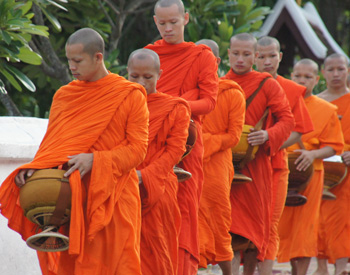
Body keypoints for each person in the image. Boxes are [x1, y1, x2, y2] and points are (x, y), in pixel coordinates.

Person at [0, 28, 149, 274]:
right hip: (73, 202)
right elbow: (53, 146)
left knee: (119, 266)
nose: (71, 67)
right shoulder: (65, 96)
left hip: (115, 199)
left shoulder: (129, 95)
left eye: (77, 61)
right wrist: (33, 170)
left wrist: (96, 160)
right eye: (69, 60)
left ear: (98, 58)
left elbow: (137, 150)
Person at [145, 1, 219, 273]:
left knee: (184, 212)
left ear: (185, 18)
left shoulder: (202, 55)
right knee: (150, 211)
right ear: (155, 21)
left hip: (187, 145)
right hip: (151, 145)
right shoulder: (147, 55)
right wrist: (180, 102)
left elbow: (210, 102)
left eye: (173, 22)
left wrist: (176, 106)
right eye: (162, 23)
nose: (168, 28)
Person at [221, 32, 294, 275]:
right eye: (236, 53)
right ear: (228, 54)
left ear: (255, 56)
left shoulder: (267, 83)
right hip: (224, 164)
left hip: (256, 165)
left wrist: (268, 135)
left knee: (253, 231)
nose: (240, 59)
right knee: (228, 228)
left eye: (246, 54)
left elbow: (287, 119)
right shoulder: (219, 83)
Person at [127, 48, 191, 275]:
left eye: (148, 77)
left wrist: (145, 175)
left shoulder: (175, 107)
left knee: (158, 248)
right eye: (134, 76)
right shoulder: (120, 103)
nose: (141, 82)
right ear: (126, 73)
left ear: (159, 75)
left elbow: (175, 151)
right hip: (123, 186)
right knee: (125, 249)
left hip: (159, 186)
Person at [277, 59, 344, 275]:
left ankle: (300, 272)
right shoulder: (279, 103)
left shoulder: (326, 109)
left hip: (311, 174)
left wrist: (313, 153)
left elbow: (334, 146)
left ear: (317, 79)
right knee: (279, 225)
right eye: (298, 76)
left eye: (308, 77)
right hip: (279, 170)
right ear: (291, 77)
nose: (303, 81)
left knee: (305, 228)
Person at [255, 36, 314, 274]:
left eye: (272, 56)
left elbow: (298, 130)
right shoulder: (242, 85)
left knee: (270, 223)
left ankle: (266, 270)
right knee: (245, 222)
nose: (267, 61)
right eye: (262, 56)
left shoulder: (289, 89)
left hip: (275, 165)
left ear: (280, 57)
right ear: (253, 57)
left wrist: (271, 144)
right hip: (244, 166)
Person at [195, 39, 245, 275]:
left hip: (216, 168)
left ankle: (228, 272)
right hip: (189, 165)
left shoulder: (232, 93)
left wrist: (204, 143)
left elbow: (234, 137)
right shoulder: (187, 91)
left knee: (218, 222)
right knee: (188, 221)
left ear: (215, 61)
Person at [314, 53, 350, 275]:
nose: (336, 74)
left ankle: (340, 267)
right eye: (331, 70)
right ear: (323, 73)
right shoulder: (318, 102)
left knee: (342, 217)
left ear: (348, 70)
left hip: (346, 171)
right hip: (321, 168)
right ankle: (320, 268)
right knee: (318, 218)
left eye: (341, 69)